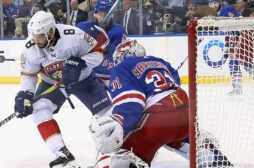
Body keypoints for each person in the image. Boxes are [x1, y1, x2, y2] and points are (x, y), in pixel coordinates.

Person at [89, 39, 233, 168]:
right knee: (174, 135)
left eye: (119, 58)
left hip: (158, 118)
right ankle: (207, 153)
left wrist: (119, 123)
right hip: (185, 112)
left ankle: (126, 163)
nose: (117, 62)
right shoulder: (160, 62)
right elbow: (175, 83)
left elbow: (132, 101)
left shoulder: (123, 67)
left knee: (116, 149)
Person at [14, 11, 111, 168]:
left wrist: (81, 63)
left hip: (83, 80)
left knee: (107, 113)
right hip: (52, 83)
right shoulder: (30, 47)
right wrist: (24, 95)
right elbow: (28, 74)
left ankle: (122, 147)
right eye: (34, 36)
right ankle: (61, 152)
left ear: (51, 31)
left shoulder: (74, 36)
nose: (36, 40)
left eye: (40, 36)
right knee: (38, 109)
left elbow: (98, 52)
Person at [77, 0, 127, 88]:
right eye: (100, 14)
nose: (103, 18)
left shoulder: (120, 31)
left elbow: (117, 57)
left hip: (110, 76)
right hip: (90, 74)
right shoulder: (83, 27)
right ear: (95, 14)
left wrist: (101, 42)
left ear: (111, 15)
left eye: (106, 14)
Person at [209, 0, 251, 96]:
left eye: (216, 3)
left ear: (220, 3)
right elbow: (229, 32)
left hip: (241, 37)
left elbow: (237, 21)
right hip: (236, 39)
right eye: (212, 4)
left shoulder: (226, 9)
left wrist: (231, 42)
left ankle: (237, 88)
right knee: (241, 63)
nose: (214, 5)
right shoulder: (219, 15)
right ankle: (237, 88)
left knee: (237, 63)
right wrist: (227, 47)